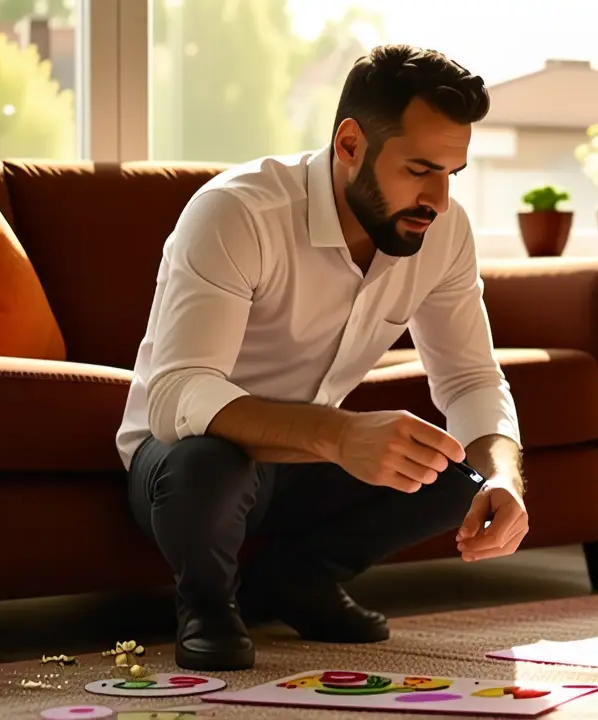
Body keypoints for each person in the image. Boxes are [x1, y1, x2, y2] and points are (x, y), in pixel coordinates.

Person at [115, 44, 529, 672]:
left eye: (451, 173)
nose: (438, 200)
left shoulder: (443, 233)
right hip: (184, 460)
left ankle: (300, 579)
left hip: (303, 461)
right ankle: (207, 604)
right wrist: (338, 434)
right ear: (350, 144)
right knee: (207, 464)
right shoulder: (238, 212)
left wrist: (502, 480)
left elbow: (471, 378)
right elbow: (179, 394)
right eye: (419, 170)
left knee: (453, 473)